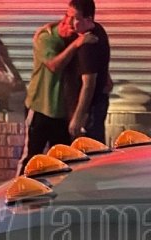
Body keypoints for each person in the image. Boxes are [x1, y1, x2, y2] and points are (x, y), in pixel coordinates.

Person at [19, 15, 97, 171]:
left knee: (63, 160)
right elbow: (54, 65)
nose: (73, 32)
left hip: (62, 112)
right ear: (63, 23)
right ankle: (21, 184)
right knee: (31, 157)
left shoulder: (73, 37)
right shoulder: (46, 37)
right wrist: (76, 44)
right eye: (70, 28)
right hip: (41, 107)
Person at [66, 0, 111, 142]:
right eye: (68, 16)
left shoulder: (88, 45)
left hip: (88, 113)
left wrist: (78, 117)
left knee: (87, 150)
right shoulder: (99, 29)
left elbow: (88, 84)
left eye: (75, 18)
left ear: (88, 19)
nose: (70, 22)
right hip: (96, 106)